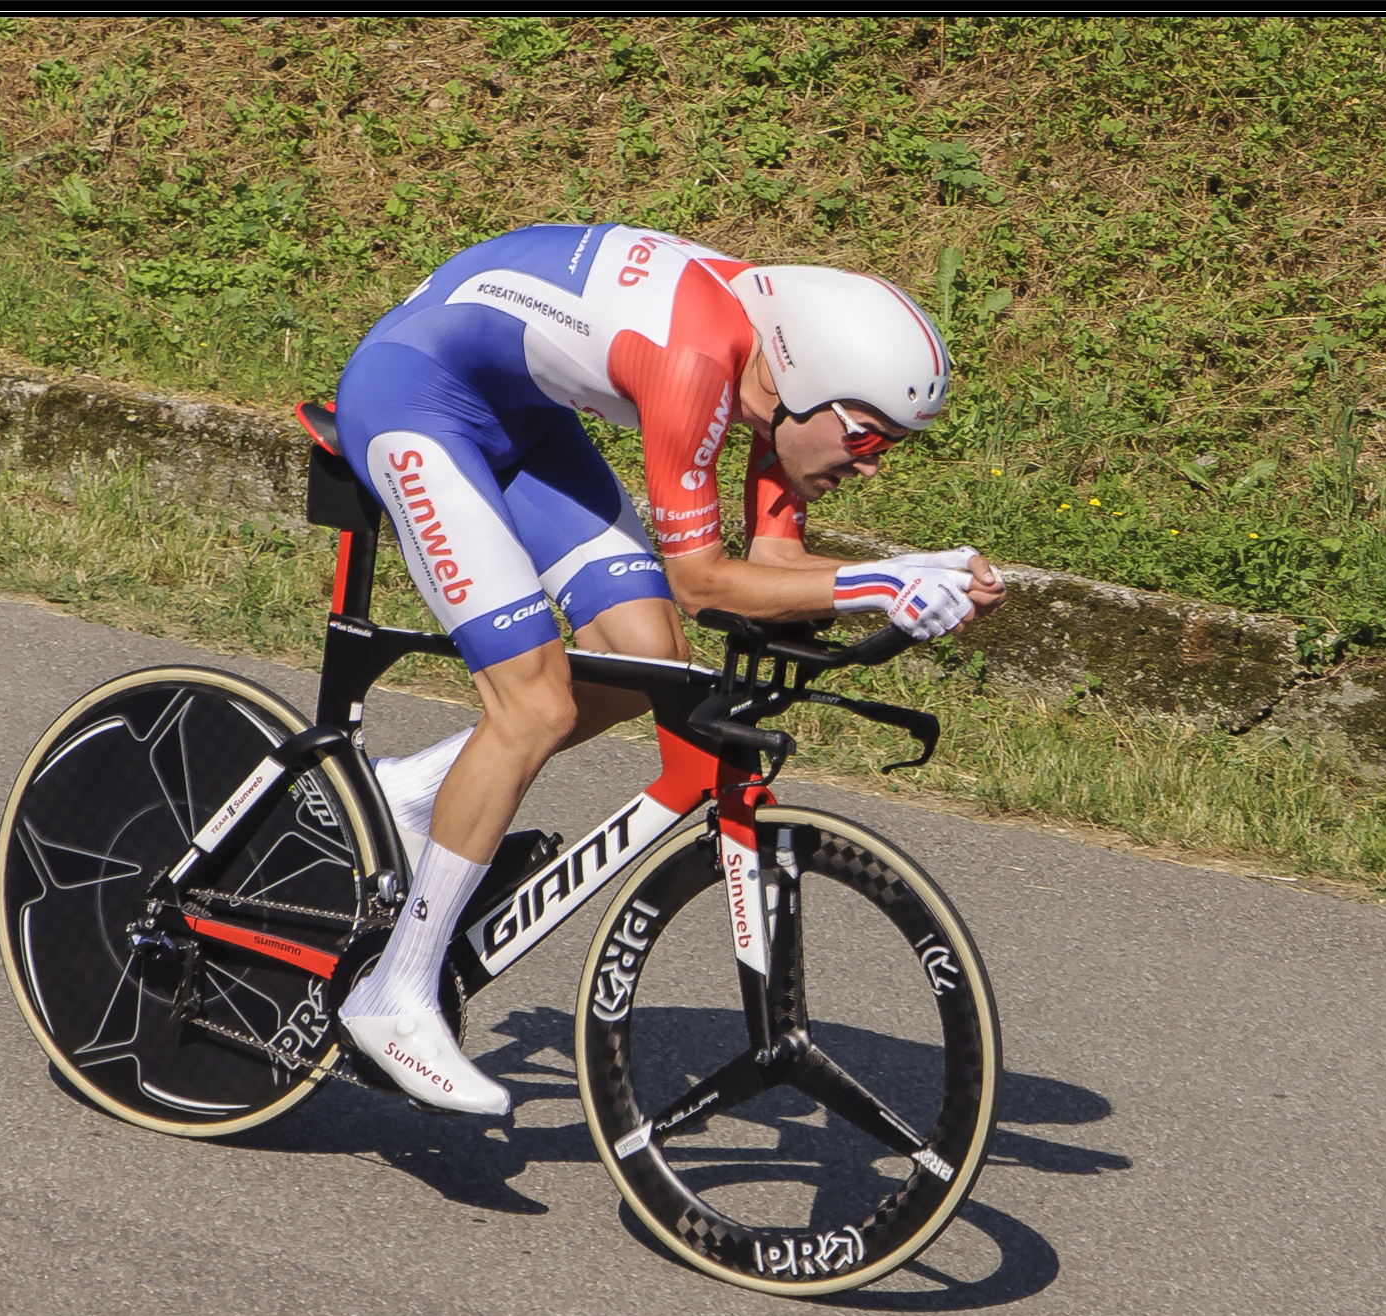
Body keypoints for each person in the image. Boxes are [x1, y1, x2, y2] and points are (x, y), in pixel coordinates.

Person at [331, 222, 1006, 1113]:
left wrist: (921, 577)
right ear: (818, 392)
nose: (869, 468)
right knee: (529, 705)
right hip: (415, 393)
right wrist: (881, 580)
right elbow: (700, 581)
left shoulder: (782, 382)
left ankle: (417, 792)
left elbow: (767, 575)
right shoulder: (697, 363)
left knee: (651, 660)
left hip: (522, 420)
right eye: (870, 439)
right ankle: (395, 993)